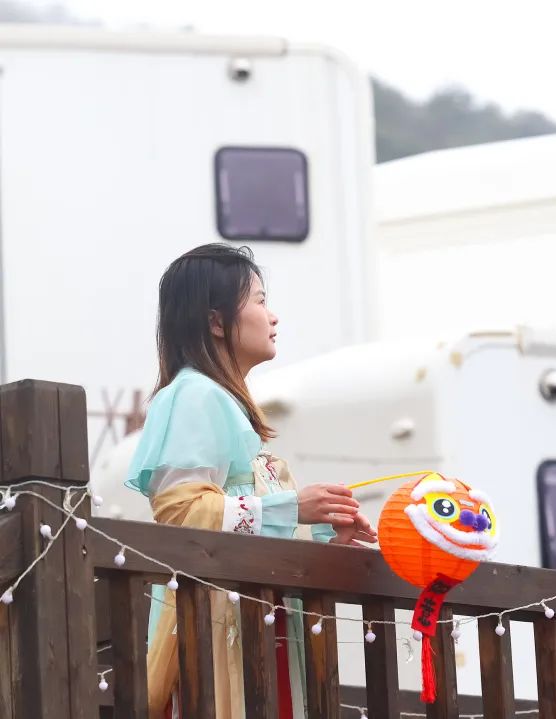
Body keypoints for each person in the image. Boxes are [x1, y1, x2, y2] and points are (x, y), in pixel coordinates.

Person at [125, 243, 377, 719]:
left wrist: (328, 538)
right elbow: (182, 515)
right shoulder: (194, 394)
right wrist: (294, 508)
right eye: (260, 301)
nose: (273, 316)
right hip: (219, 635)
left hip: (252, 630)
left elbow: (246, 524)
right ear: (216, 322)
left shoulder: (219, 399)